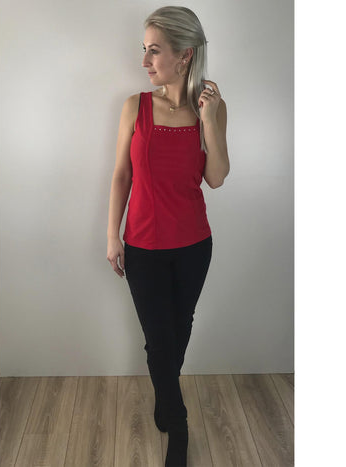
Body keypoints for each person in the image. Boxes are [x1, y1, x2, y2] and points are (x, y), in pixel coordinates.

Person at [106, 6, 229, 466]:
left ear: (185, 54)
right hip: (142, 246)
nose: (144, 61)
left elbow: (216, 177)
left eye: (154, 51)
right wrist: (112, 236)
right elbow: (122, 175)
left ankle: (165, 396)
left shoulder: (211, 108)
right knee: (160, 341)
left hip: (194, 246)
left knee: (178, 330)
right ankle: (178, 425)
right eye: (145, 49)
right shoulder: (134, 106)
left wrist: (210, 120)